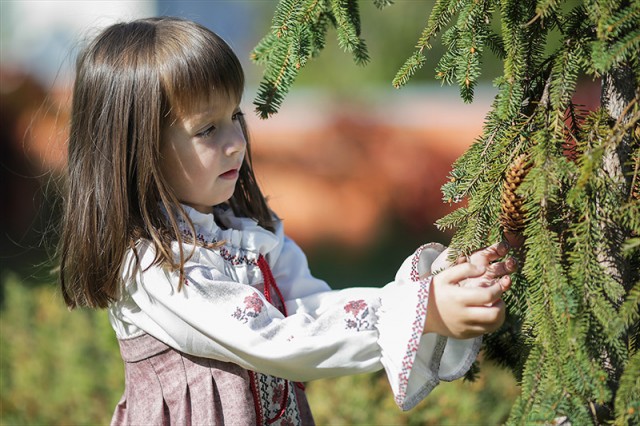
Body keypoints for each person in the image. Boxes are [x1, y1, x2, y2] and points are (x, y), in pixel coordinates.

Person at [58, 16, 517, 426]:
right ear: (138, 151)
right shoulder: (156, 265)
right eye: (207, 129)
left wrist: (423, 297)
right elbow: (273, 340)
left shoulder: (244, 233)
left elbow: (312, 311)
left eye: (235, 115)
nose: (236, 140)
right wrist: (423, 313)